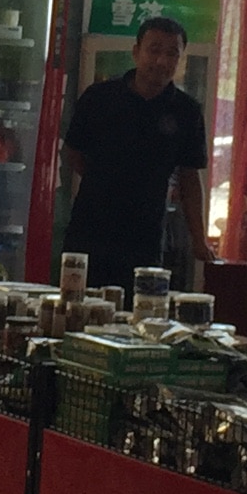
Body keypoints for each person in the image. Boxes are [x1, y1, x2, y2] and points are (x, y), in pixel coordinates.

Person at [61, 14, 213, 289]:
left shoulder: (187, 112)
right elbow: (73, 152)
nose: (162, 61)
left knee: (139, 307)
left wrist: (199, 240)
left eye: (172, 54)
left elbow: (190, 178)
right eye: (154, 50)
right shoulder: (99, 97)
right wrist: (104, 180)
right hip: (90, 229)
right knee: (80, 305)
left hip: (145, 235)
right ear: (136, 52)